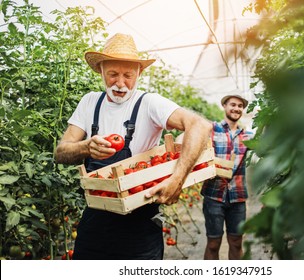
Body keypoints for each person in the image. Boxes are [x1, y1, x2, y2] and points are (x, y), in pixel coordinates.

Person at [54, 33, 212, 260]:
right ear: (101, 71)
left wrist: (177, 179)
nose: (120, 83)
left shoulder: (149, 103)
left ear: (139, 73)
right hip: (95, 218)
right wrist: (86, 147)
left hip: (141, 223)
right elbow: (61, 152)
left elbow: (200, 125)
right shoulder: (90, 102)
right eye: (113, 74)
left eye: (128, 75)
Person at [201, 92, 253, 260]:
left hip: (237, 197)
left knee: (236, 241)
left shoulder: (248, 137)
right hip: (214, 195)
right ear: (224, 106)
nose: (236, 108)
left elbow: (268, 146)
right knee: (213, 243)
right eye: (233, 105)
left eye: (240, 106)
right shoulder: (212, 130)